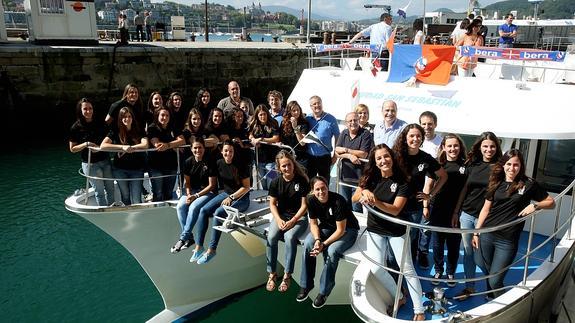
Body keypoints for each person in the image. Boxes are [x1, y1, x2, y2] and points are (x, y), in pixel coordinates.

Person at [351, 144, 425, 321]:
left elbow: (395, 210)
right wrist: (365, 191)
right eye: (379, 158)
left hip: (396, 231)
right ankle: (399, 296)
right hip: (375, 229)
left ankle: (419, 310)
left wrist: (374, 201)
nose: (383, 160)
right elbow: (354, 197)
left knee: (407, 269)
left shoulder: (402, 182)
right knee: (376, 268)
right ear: (375, 162)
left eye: (386, 156)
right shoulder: (370, 178)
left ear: (392, 158)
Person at [472, 149, 554, 298]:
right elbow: (485, 209)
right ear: (503, 165)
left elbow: (551, 203)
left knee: (496, 279)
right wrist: (476, 232)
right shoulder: (495, 182)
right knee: (479, 262)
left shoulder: (528, 184)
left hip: (507, 240)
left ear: (521, 166)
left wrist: (535, 206)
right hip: (487, 233)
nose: (512, 168)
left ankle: (498, 301)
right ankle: (491, 293)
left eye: (516, 165)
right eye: (508, 164)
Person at [452, 131, 502, 299]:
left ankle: (491, 286)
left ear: (497, 147)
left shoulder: (501, 167)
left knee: (485, 254)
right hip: (466, 214)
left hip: (488, 218)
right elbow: (464, 190)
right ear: (480, 147)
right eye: (485, 146)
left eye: (492, 146)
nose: (489, 149)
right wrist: (456, 211)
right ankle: (470, 287)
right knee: (468, 253)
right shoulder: (472, 165)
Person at [296, 175, 359, 308]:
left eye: (323, 188)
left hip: (348, 230)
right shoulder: (310, 200)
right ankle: (306, 285)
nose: (321, 192)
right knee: (308, 243)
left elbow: (341, 230)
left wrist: (323, 244)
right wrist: (318, 240)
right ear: (312, 191)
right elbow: (313, 224)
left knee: (332, 251)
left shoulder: (338, 201)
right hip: (327, 227)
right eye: (317, 189)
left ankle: (324, 291)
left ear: (327, 186)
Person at [393, 124, 447, 269]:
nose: (415, 139)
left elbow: (443, 176)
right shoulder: (395, 155)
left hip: (414, 207)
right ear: (405, 138)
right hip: (394, 205)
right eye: (412, 136)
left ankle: (409, 266)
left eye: (419, 136)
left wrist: (430, 195)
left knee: (412, 238)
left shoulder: (425, 158)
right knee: (395, 237)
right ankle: (393, 266)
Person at [191, 141, 251, 264]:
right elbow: (210, 181)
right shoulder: (219, 163)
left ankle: (212, 249)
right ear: (221, 151)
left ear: (234, 152)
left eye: (230, 151)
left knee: (218, 212)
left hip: (242, 198)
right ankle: (199, 246)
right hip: (225, 194)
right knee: (203, 210)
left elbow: (246, 187)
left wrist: (232, 198)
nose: (228, 153)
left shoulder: (241, 165)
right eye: (226, 151)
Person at [266, 151, 310, 293]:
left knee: (289, 237)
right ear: (279, 168)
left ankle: (287, 274)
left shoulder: (301, 181)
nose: (287, 168)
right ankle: (272, 273)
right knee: (271, 237)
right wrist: (278, 219)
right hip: (281, 216)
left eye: (289, 165)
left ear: (293, 164)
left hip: (299, 218)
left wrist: (293, 220)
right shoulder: (275, 182)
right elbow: (272, 204)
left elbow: (305, 206)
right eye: (283, 166)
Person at [430, 134, 466, 287]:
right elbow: (429, 184)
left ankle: (451, 272)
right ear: (443, 147)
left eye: (456, 146)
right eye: (449, 146)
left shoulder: (465, 166)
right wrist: (426, 205)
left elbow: (465, 189)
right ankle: (438, 270)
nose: (453, 149)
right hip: (438, 208)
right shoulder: (437, 165)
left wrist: (457, 212)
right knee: (437, 242)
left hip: (456, 210)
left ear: (460, 147)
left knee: (453, 243)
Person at [172, 137, 217, 253]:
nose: (198, 150)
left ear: (204, 148)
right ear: (191, 149)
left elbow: (211, 185)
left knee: (193, 206)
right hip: (192, 192)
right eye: (195, 148)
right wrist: (188, 194)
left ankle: (183, 238)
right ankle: (190, 237)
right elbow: (187, 182)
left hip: (208, 192)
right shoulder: (188, 162)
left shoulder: (210, 161)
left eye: (200, 147)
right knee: (181, 206)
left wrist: (195, 196)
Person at [69, 98, 115, 206]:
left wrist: (101, 147)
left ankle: (113, 209)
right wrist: (86, 144)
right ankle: (104, 214)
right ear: (80, 110)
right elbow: (72, 148)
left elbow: (110, 135)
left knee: (110, 188)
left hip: (105, 160)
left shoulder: (100, 123)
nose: (88, 111)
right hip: (90, 164)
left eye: (90, 108)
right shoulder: (75, 127)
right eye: (85, 109)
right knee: (99, 192)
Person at [101, 107, 148, 205]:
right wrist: (122, 147)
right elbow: (103, 145)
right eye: (124, 117)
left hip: (137, 169)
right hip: (120, 169)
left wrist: (130, 148)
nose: (127, 119)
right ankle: (128, 218)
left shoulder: (139, 130)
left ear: (132, 118)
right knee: (125, 195)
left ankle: (138, 218)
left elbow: (145, 144)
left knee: (136, 198)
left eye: (129, 116)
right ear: (121, 118)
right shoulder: (115, 131)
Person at [334, 112, 373, 212]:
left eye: (355, 120)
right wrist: (349, 155)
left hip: (359, 179)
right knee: (343, 204)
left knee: (356, 207)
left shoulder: (365, 133)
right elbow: (337, 150)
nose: (353, 122)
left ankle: (356, 227)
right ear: (346, 123)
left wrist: (346, 150)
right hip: (344, 176)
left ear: (358, 120)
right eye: (350, 121)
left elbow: (363, 154)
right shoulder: (344, 133)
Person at [147, 107, 185, 201]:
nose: (165, 117)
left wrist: (168, 145)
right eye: (162, 115)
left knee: (169, 192)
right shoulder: (152, 128)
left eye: (167, 115)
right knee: (158, 193)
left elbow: (182, 141)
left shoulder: (173, 126)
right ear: (157, 116)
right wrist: (174, 145)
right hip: (156, 166)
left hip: (171, 165)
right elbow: (158, 145)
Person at [305, 96, 340, 182]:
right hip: (310, 157)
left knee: (324, 182)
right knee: (309, 182)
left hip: (324, 157)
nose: (317, 105)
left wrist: (335, 155)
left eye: (319, 103)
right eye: (314, 104)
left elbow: (338, 137)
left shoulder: (331, 119)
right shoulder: (307, 119)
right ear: (310, 106)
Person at [248, 104, 280, 190]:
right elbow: (250, 135)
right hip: (259, 160)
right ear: (257, 115)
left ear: (267, 114)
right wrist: (253, 140)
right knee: (261, 185)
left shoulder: (273, 122)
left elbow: (276, 138)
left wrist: (261, 139)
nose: (263, 116)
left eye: (264, 114)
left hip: (271, 160)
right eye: (260, 114)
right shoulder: (254, 124)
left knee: (271, 183)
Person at [279, 100, 309, 170]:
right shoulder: (283, 123)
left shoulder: (304, 123)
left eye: (298, 110)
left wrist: (295, 128)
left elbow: (302, 142)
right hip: (287, 157)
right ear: (289, 112)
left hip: (300, 158)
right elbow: (280, 138)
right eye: (294, 110)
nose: (296, 112)